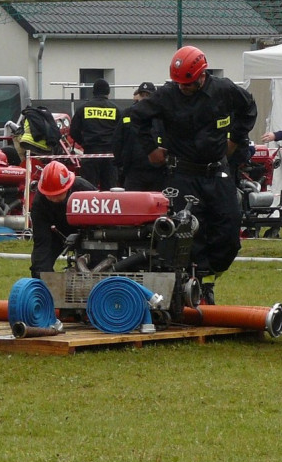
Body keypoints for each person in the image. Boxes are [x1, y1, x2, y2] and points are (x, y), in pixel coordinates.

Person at [131, 46, 257, 305]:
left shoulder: (224, 90)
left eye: (188, 83)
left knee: (229, 231)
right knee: (189, 234)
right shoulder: (167, 95)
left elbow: (248, 109)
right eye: (179, 83)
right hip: (182, 174)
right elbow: (136, 117)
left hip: (217, 172)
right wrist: (151, 149)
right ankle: (197, 288)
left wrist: (235, 139)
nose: (183, 88)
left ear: (202, 76)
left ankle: (209, 278)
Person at [30, 161, 96, 279]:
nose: (54, 198)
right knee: (40, 266)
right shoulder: (39, 204)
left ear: (68, 188)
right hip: (57, 232)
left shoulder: (85, 190)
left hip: (87, 231)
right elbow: (41, 241)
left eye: (58, 194)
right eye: (49, 195)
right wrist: (42, 274)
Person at [113, 82, 165, 190]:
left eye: (148, 95)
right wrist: (120, 165)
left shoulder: (161, 114)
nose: (145, 98)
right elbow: (118, 139)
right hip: (133, 171)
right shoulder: (127, 113)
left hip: (157, 172)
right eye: (143, 95)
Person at [71, 79, 119, 190]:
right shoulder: (116, 110)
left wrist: (84, 143)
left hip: (90, 154)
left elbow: (73, 131)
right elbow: (121, 133)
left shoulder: (83, 109)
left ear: (93, 92)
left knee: (88, 189)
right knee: (110, 190)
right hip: (110, 156)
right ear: (108, 92)